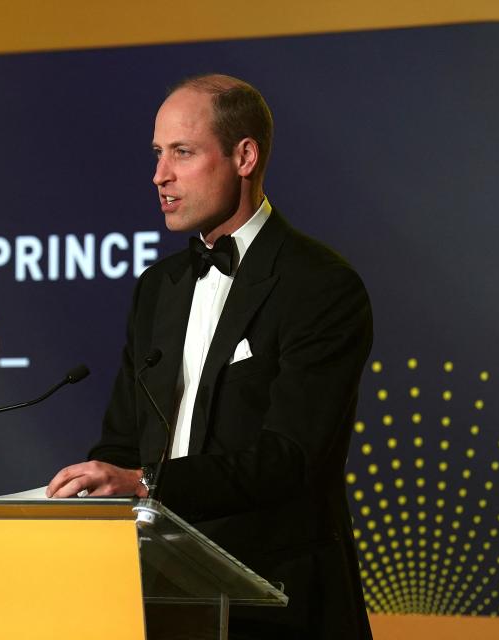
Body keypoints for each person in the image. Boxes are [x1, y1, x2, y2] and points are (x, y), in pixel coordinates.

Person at [47, 74, 373, 639]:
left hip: (275, 603)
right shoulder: (158, 286)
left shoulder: (318, 285)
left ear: (244, 156)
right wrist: (94, 488)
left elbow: (291, 458)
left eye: (182, 152)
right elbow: (123, 441)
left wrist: (147, 483)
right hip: (155, 600)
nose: (159, 176)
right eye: (157, 154)